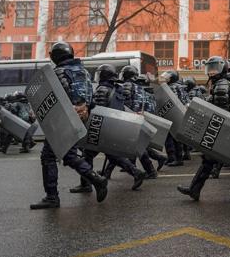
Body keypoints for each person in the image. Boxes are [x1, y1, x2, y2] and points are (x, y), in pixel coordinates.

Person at [30, 42, 108, 210]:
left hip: (63, 120)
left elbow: (56, 99)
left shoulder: (58, 73)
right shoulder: (84, 72)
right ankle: (95, 180)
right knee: (69, 155)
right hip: (80, 119)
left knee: (50, 156)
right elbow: (90, 99)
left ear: (56, 56)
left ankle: (53, 197)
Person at [177, 56, 230, 203]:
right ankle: (195, 190)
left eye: (215, 68)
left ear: (223, 69)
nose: (211, 72)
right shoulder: (222, 83)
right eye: (210, 68)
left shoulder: (222, 85)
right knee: (210, 159)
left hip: (228, 129)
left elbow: (220, 111)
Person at [69, 64, 146, 193]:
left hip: (100, 128)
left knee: (88, 155)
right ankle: (135, 172)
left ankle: (86, 184)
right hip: (113, 127)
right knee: (111, 155)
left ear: (103, 75)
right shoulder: (118, 88)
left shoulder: (102, 89)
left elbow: (96, 110)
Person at [160, 70, 187, 166]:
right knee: (174, 137)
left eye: (167, 77)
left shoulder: (172, 87)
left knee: (172, 137)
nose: (165, 79)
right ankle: (173, 158)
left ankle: (176, 158)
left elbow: (171, 101)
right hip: (179, 113)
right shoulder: (180, 86)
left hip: (172, 114)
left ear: (172, 78)